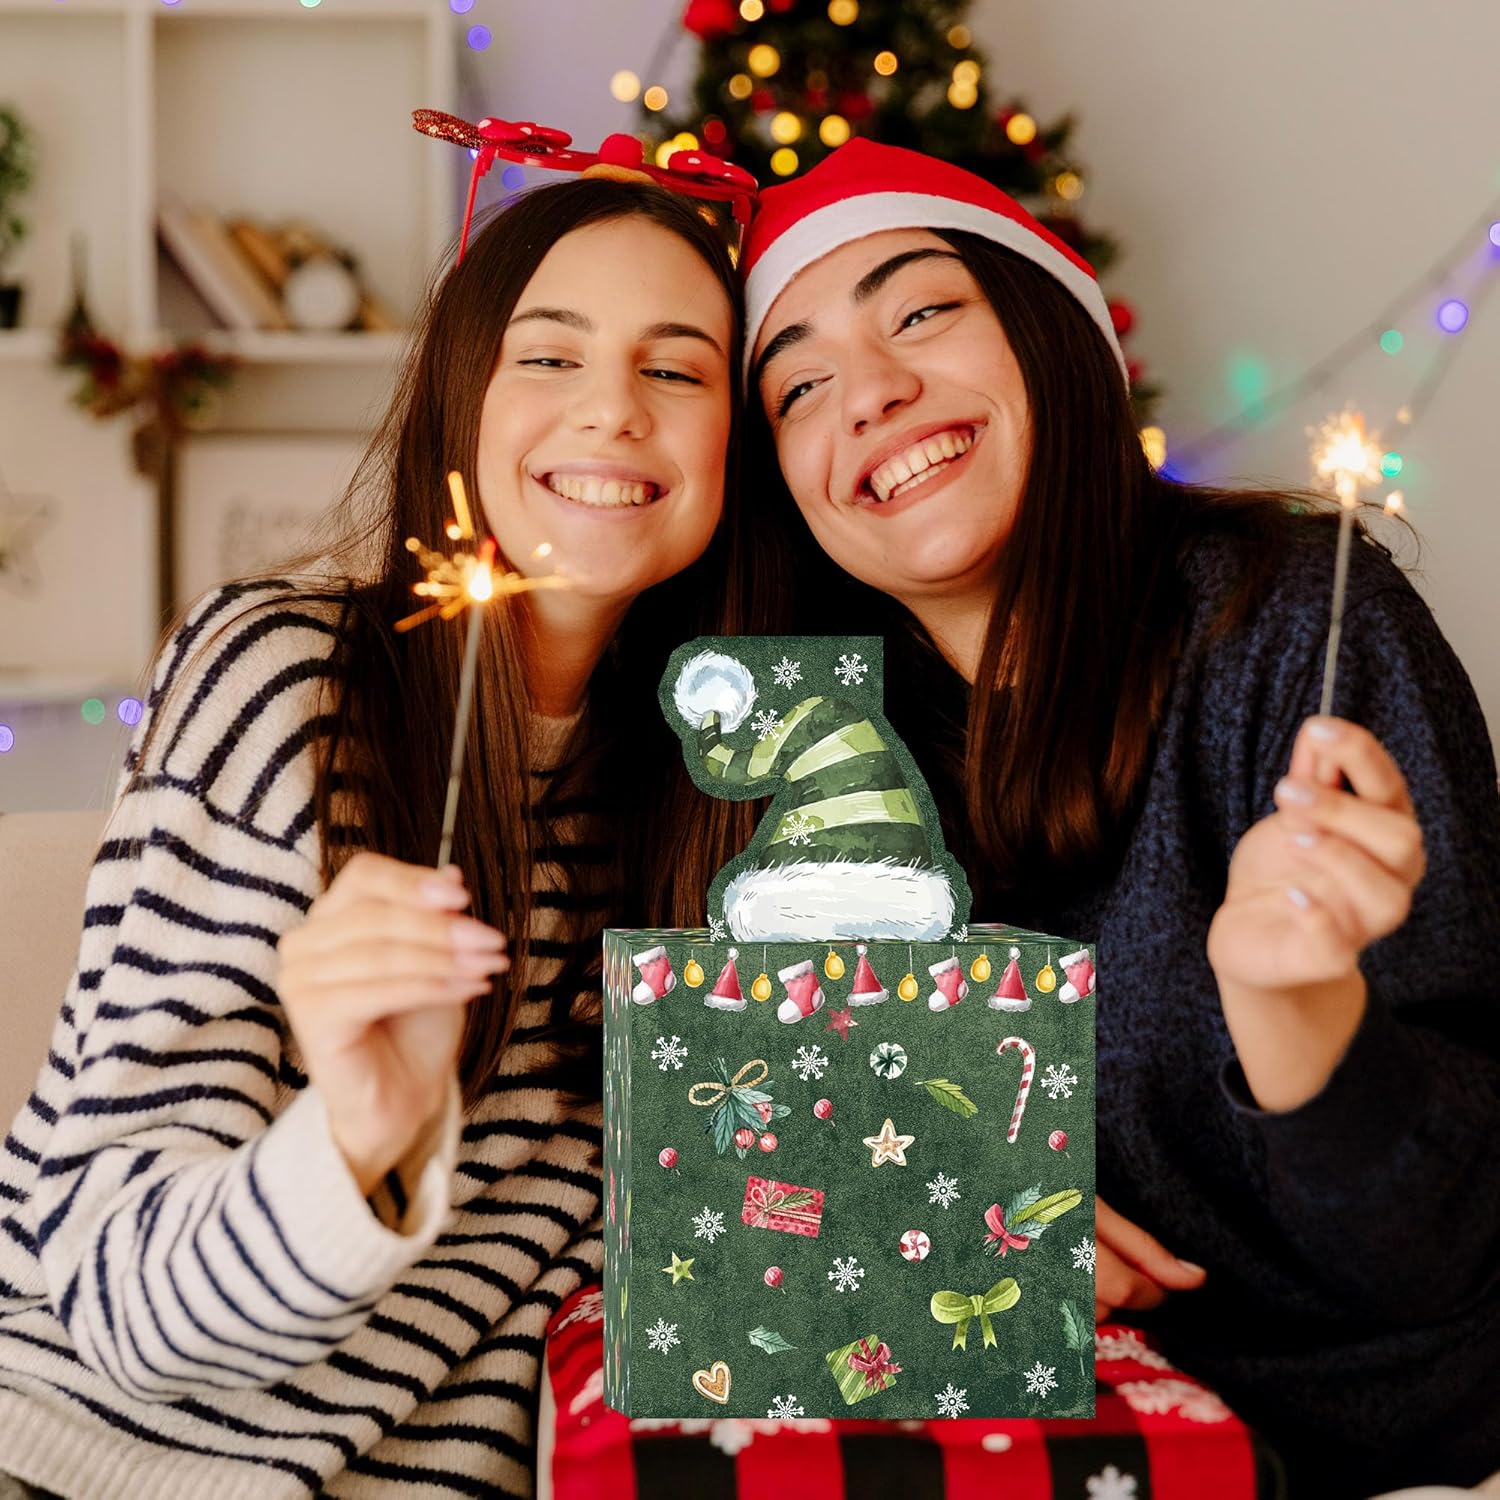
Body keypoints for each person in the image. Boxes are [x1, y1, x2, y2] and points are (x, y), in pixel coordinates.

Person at [739, 139, 1500, 1498]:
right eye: (800, 384)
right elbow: (742, 1139)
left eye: (919, 312)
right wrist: (936, 1215)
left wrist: (1297, 1012)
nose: (873, 394)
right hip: (1049, 1453)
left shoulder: (1296, 629)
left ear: (1050, 334)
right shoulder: (813, 755)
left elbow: (1444, 1247)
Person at [0, 172, 764, 1499]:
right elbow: (119, 1304)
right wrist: (354, 1139)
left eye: (678, 370)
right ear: (460, 392)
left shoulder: (738, 797)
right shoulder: (284, 685)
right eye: (549, 351)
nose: (611, 406)